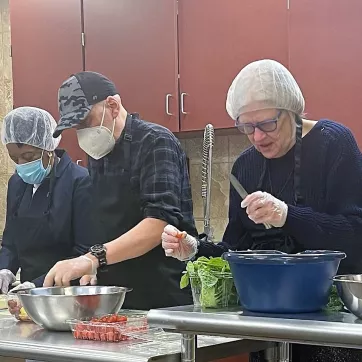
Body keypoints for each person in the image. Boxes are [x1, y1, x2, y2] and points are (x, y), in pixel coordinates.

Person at [161, 59, 362, 362]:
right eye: (247, 127)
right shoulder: (246, 166)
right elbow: (234, 251)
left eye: (267, 124)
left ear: (292, 111)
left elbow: (355, 235)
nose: (257, 137)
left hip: (330, 328)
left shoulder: (334, 143)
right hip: (266, 325)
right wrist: (194, 249)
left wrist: (287, 215)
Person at [43, 71, 196, 310]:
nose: (82, 133)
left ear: (113, 106)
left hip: (162, 296)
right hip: (116, 295)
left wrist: (92, 259)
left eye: (85, 122)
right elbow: (105, 221)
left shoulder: (155, 142)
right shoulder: (99, 152)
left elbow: (159, 223)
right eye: (76, 127)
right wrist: (91, 271)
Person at [0, 106, 94, 297]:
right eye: (14, 158)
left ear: (48, 148)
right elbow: (11, 241)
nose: (22, 164)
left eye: (29, 157)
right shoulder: (17, 183)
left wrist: (38, 285)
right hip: (25, 293)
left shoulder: (80, 181)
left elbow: (84, 251)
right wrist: (5, 269)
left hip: (68, 292)